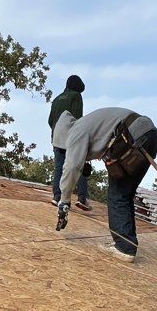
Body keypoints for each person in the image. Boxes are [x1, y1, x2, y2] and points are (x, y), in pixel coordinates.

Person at [57, 107, 157, 261]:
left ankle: (124, 248)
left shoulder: (75, 131)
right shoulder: (89, 123)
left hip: (131, 136)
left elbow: (71, 166)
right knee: (125, 194)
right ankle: (127, 242)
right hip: (148, 134)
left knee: (117, 195)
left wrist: (64, 200)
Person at [48, 76, 91, 211]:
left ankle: (57, 197)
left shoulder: (56, 99)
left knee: (59, 166)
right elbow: (78, 118)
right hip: (71, 136)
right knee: (79, 164)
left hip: (56, 136)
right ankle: (82, 198)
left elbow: (50, 120)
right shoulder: (76, 96)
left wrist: (58, 131)